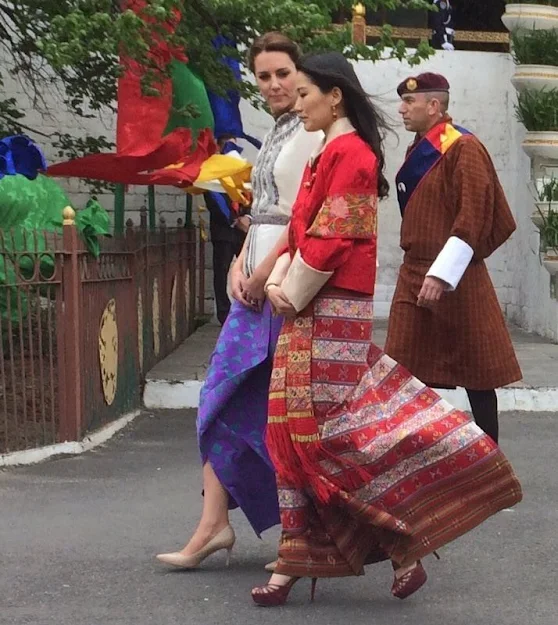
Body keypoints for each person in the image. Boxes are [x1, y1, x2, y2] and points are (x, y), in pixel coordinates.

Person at [251, 52, 522, 607]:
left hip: (427, 279)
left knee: (358, 422)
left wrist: (287, 288)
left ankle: (462, 466)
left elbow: (472, 218)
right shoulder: (338, 153)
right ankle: (321, 551)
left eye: (304, 93)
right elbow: (302, 231)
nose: (292, 102)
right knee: (320, 422)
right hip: (357, 288)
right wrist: (276, 279)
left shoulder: (454, 147)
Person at [156, 33, 323, 569]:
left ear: (303, 74)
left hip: (284, 289)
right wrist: (238, 259)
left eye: (283, 73)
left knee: (270, 408)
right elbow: (269, 210)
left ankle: (316, 530)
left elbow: (308, 217)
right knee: (228, 400)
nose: (274, 84)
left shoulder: (316, 132)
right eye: (264, 76)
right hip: (255, 279)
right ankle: (214, 523)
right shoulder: (279, 128)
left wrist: (267, 267)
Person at [385, 73, 522, 445]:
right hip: (414, 270)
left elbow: (473, 214)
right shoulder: (420, 148)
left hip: (457, 274)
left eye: (409, 103)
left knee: (477, 371)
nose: (402, 109)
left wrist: (443, 274)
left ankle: (488, 452)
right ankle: (411, 449)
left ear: (434, 106)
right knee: (403, 366)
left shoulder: (463, 147)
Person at [203, 136, 250, 325]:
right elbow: (213, 200)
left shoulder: (239, 166)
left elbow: (249, 192)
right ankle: (224, 314)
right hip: (224, 231)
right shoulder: (213, 169)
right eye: (228, 140)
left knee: (248, 269)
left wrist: (247, 218)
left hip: (242, 230)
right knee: (221, 272)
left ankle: (247, 308)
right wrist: (233, 221)